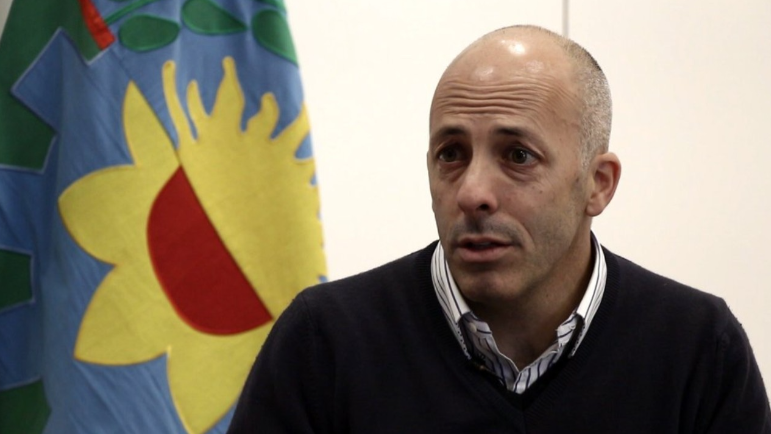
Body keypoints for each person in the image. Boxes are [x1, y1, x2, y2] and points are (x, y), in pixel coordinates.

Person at [227, 25, 771, 433]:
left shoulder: (697, 349)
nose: (472, 193)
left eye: (517, 155)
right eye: (451, 154)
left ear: (598, 184)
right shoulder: (325, 342)